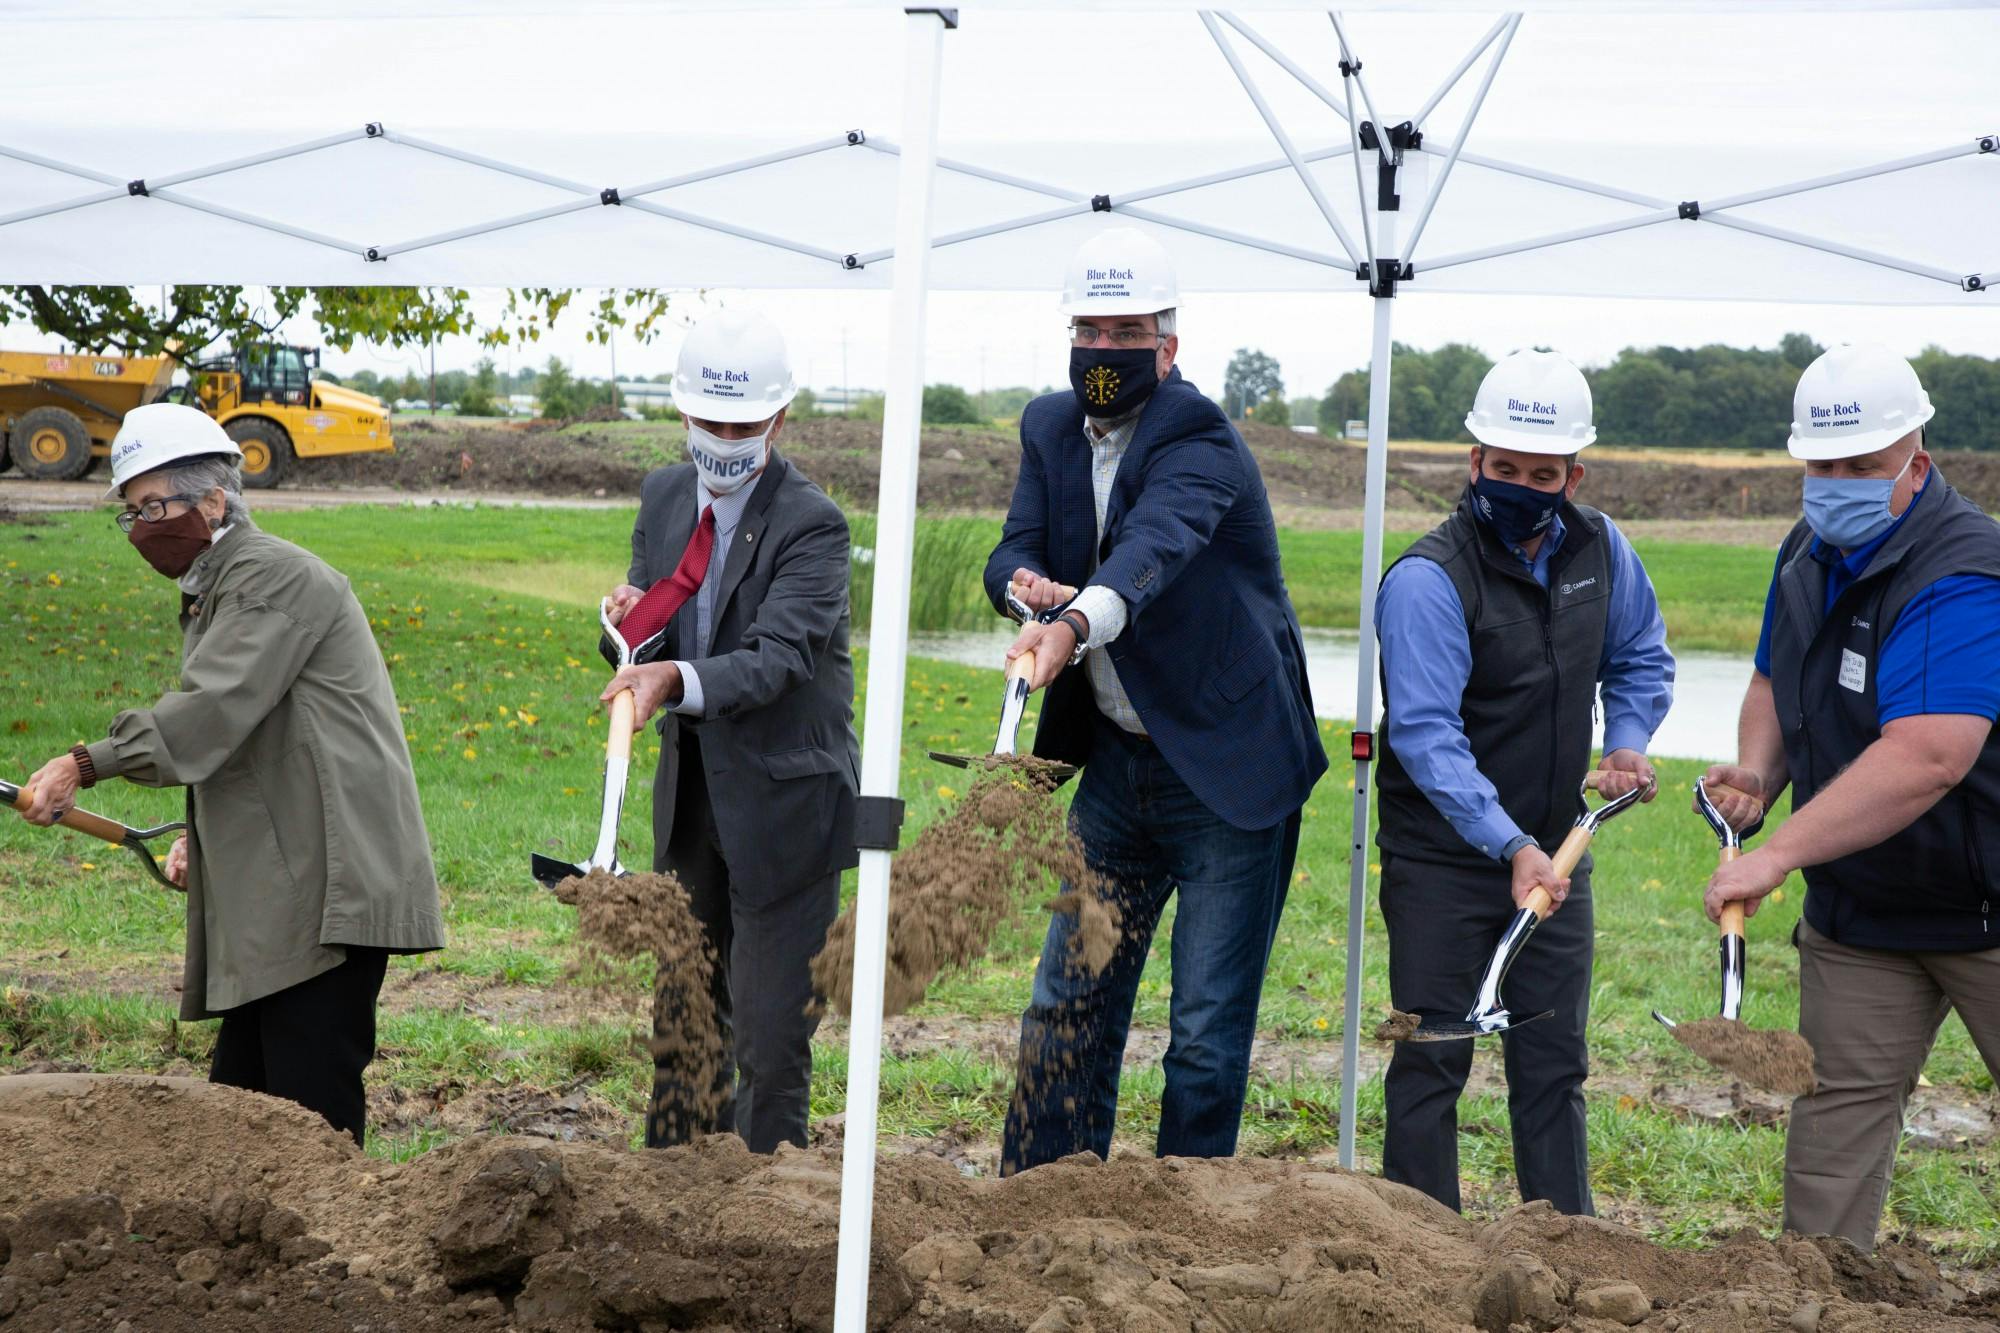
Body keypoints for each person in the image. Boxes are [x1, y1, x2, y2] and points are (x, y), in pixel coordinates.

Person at [986, 226, 1327, 1174]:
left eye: (1126, 331)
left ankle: (1185, 1228)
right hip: (1116, 770)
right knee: (1067, 1003)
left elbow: (1152, 549)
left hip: (1227, 771)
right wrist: (1025, 591)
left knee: (1205, 1040)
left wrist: (1075, 623)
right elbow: (1012, 547)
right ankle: (1044, 1195)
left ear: (1168, 347)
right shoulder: (1049, 426)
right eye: (1089, 329)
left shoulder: (1197, 434)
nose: (1103, 351)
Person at [17, 403, 444, 1147]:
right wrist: (202, 831)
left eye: (156, 505)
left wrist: (86, 762)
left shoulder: (269, 580)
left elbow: (210, 713)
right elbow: (260, 741)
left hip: (325, 892)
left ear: (214, 500)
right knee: (244, 1119)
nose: (144, 527)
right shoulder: (221, 587)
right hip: (288, 886)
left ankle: (335, 1258)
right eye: (132, 513)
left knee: (306, 1120)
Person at [1700, 344, 2000, 1251]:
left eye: (1861, 467)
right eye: (1821, 467)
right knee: (1831, 1148)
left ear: (1915, 456)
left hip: (1991, 906)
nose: (1836, 485)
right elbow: (1772, 680)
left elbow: (1929, 755)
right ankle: (1822, 1302)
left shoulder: (1967, 569)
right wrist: (1757, 775)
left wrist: (1780, 850)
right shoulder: (1806, 549)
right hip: (1863, 915)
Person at [1373, 349, 1675, 1216]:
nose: (1520, 485)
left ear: (1573, 474)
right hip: (1445, 862)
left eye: (1542, 473)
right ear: (1474, 463)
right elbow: (1428, 736)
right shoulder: (1429, 579)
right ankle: (1420, 1248)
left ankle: (1565, 1245)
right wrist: (1508, 843)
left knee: (1554, 1061)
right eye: (1503, 468)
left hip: (1555, 857)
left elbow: (1640, 656)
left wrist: (1623, 743)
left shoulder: (1602, 548)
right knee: (1433, 1055)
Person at [600, 309, 858, 1154]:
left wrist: (672, 677)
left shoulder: (813, 525)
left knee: (768, 1037)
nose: (724, 439)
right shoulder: (664, 495)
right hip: (695, 800)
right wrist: (626, 631)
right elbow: (651, 628)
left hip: (786, 807)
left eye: (744, 425)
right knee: (684, 1016)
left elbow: (778, 658)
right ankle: (669, 1197)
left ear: (780, 420)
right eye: (708, 423)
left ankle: (767, 1218)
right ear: (681, 413)